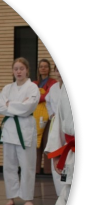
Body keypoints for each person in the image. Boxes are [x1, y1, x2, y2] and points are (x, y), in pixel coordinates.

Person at [0, 57, 40, 205]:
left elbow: (28, 107)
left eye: (21, 68)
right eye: (16, 69)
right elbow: (0, 107)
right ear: (12, 71)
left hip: (25, 128)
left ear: (27, 70)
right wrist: (18, 105)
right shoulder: (7, 88)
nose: (19, 71)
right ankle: (11, 196)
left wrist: (10, 104)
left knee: (27, 165)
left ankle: (28, 197)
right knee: (9, 165)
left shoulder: (32, 87)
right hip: (9, 129)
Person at [36, 71, 74, 205]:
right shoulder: (64, 89)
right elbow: (58, 119)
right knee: (67, 191)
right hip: (73, 150)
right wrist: (56, 153)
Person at [33, 59, 57, 175]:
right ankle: (36, 170)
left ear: (49, 69)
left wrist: (38, 98)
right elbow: (32, 97)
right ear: (38, 69)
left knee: (47, 142)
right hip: (36, 116)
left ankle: (48, 171)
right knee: (36, 143)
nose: (43, 68)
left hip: (49, 116)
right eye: (41, 66)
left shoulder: (53, 83)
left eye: (45, 66)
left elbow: (47, 97)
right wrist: (39, 98)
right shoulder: (34, 83)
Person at [45, 65, 63, 198]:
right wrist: (52, 114)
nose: (59, 73)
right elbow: (47, 102)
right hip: (56, 124)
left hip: (68, 127)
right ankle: (60, 197)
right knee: (55, 158)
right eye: (57, 70)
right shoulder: (53, 88)